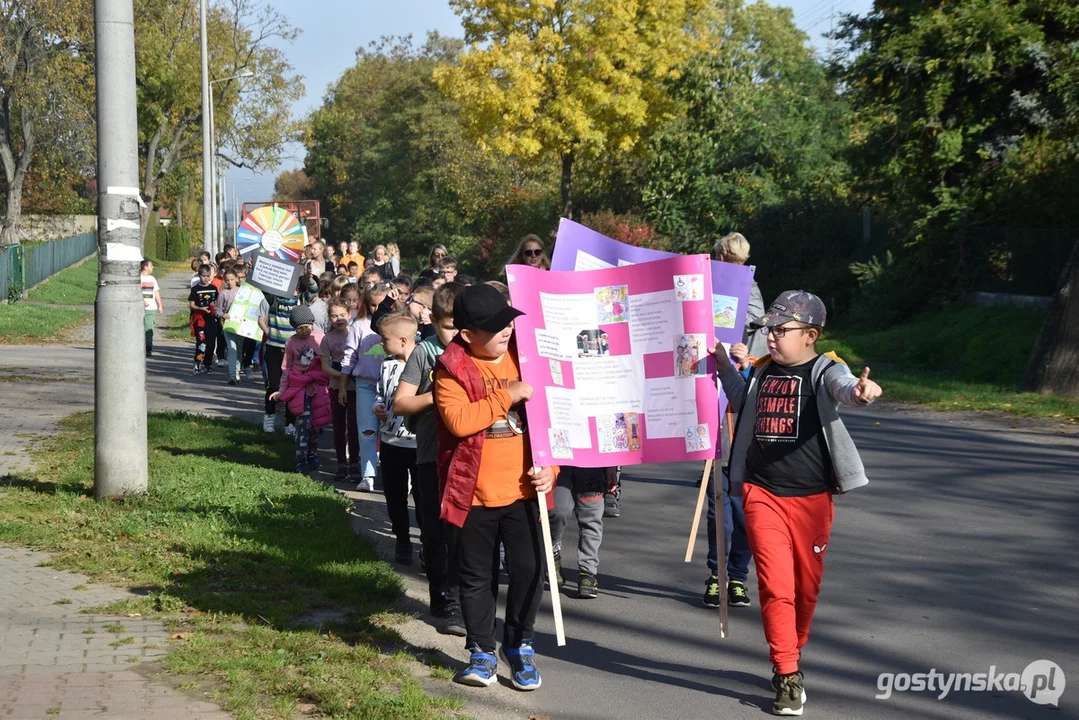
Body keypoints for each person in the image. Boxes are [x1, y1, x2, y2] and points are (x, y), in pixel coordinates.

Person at [713, 290, 881, 717]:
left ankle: (792, 646)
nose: (770, 337)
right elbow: (739, 400)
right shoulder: (763, 372)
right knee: (775, 587)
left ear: (811, 334)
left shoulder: (826, 369)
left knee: (806, 590)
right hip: (761, 492)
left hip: (812, 500)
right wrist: (718, 362)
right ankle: (787, 672)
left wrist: (861, 393)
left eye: (781, 330)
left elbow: (844, 389)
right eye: (768, 329)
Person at [433, 283, 556, 691]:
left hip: (524, 494)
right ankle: (482, 651)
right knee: (475, 577)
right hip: (474, 496)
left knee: (528, 571)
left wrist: (551, 469)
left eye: (508, 321)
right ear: (467, 334)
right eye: (495, 326)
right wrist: (508, 394)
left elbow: (557, 419)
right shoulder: (450, 367)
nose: (506, 330)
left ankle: (519, 646)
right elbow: (459, 422)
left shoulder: (529, 356)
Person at [394, 282, 464, 635]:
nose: (455, 333)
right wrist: (438, 397)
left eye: (461, 324)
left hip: (468, 457)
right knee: (435, 531)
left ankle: (461, 598)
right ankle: (442, 598)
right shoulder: (425, 352)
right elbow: (401, 403)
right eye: (449, 325)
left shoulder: (477, 351)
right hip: (430, 454)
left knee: (463, 533)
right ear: (433, 321)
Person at [702, 231, 768, 608]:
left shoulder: (751, 291)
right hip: (712, 410)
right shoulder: (702, 282)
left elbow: (763, 354)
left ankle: (738, 576)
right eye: (729, 259)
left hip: (742, 415)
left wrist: (748, 355)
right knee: (717, 504)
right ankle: (717, 574)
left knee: (744, 506)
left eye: (739, 262)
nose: (733, 267)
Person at [375, 311, 422, 565]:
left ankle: (429, 540)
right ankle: (402, 539)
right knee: (394, 495)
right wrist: (378, 406)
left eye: (384, 339)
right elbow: (380, 393)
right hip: (391, 442)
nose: (381, 344)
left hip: (418, 443)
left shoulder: (425, 364)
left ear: (403, 340)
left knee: (423, 497)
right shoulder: (386, 364)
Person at [270, 306, 329, 474]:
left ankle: (312, 453)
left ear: (312, 324)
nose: (304, 331)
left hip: (318, 386)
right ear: (294, 328)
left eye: (307, 327)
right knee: (303, 423)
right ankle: (300, 459)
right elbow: (286, 368)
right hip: (299, 388)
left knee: (315, 425)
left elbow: (328, 362)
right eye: (299, 328)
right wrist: (282, 390)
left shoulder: (320, 338)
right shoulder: (291, 343)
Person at [339, 286, 382, 492]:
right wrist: (343, 384)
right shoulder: (359, 325)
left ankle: (398, 475)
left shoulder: (396, 325)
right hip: (364, 384)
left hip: (389, 385)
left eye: (381, 305)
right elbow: (349, 356)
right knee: (366, 429)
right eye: (372, 304)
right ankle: (368, 474)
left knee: (392, 431)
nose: (376, 308)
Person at [549, 466, 612, 599]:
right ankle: (552, 552)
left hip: (592, 465)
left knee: (591, 520)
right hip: (556, 462)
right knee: (558, 511)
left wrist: (612, 466)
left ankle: (587, 573)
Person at [320, 298, 360, 481]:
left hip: (355, 388)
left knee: (353, 425)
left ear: (349, 315)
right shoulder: (327, 339)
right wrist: (342, 374)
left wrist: (352, 374)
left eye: (342, 315)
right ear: (329, 318)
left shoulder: (355, 333)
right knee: (338, 425)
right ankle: (341, 463)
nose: (339, 319)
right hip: (336, 387)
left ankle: (354, 462)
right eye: (334, 315)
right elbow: (324, 366)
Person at [259, 289, 300, 433]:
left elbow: (313, 290)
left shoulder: (300, 298)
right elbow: (265, 289)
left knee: (293, 386)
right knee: (274, 385)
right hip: (274, 349)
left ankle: (290, 423)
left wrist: (308, 277)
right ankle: (269, 417)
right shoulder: (273, 297)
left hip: (293, 350)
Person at [188, 264, 219, 375]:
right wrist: (200, 308)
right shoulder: (195, 289)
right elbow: (191, 305)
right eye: (203, 276)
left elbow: (217, 302)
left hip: (211, 320)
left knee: (211, 344)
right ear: (199, 275)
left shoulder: (214, 289)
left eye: (208, 276)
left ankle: (208, 365)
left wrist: (213, 306)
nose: (206, 278)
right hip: (200, 320)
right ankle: (197, 363)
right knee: (201, 344)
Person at [216, 268, 242, 384]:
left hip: (241, 325)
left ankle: (237, 371)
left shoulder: (242, 292)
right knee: (232, 348)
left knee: (240, 349)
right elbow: (217, 310)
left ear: (237, 279)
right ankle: (232, 375)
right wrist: (223, 314)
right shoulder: (223, 294)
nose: (229, 282)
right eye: (227, 280)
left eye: (232, 279)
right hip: (228, 325)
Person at [140, 260, 163, 358]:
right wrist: (141, 301)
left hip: (151, 308)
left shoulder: (152, 279)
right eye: (151, 265)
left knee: (149, 327)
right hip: (139, 308)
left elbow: (156, 292)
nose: (153, 267)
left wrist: (160, 305)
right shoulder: (137, 279)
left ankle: (148, 348)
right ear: (145, 267)